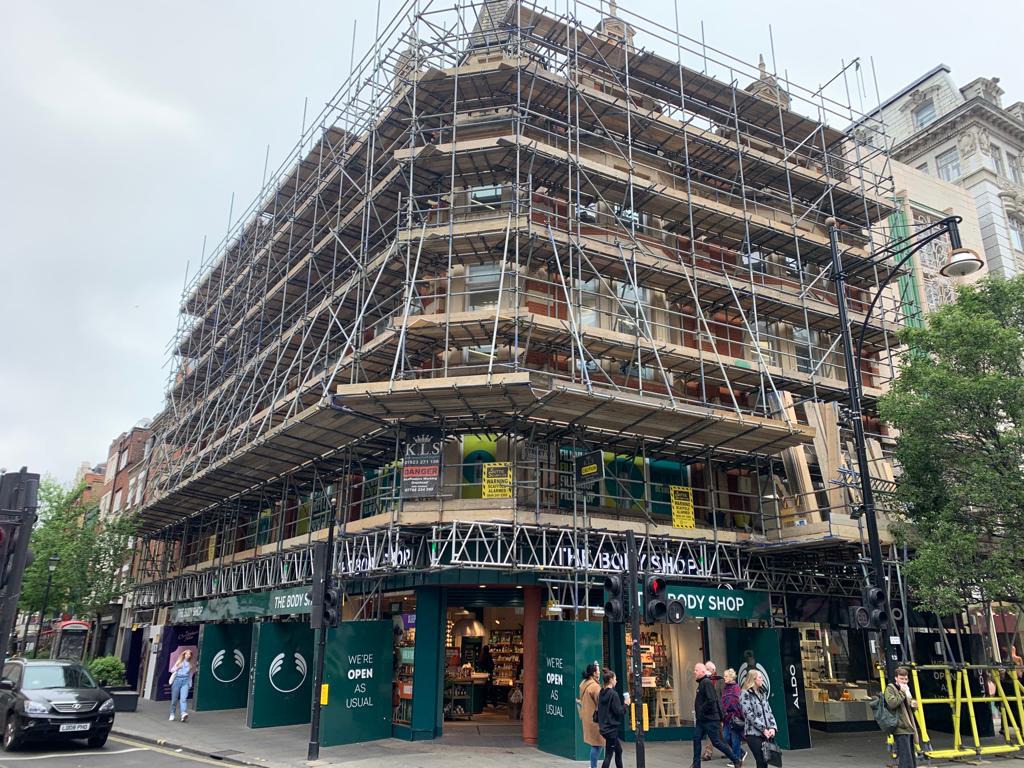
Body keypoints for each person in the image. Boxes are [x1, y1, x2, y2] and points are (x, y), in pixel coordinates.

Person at [694, 662, 743, 768]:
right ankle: (696, 764)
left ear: (703, 671)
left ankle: (736, 759)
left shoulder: (706, 683)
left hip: (710, 719)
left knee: (717, 742)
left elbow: (712, 700)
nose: (694, 672)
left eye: (696, 670)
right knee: (696, 739)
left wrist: (702, 710)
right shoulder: (703, 683)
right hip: (702, 719)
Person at [740, 669, 777, 768]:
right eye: (760, 677)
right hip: (753, 734)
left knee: (766, 761)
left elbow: (769, 712)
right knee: (760, 760)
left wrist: (773, 727)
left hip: (766, 733)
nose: (762, 679)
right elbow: (749, 714)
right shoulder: (745, 694)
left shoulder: (762, 693)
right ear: (753, 679)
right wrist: (763, 729)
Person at [884, 666, 919, 768]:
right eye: (901, 678)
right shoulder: (891, 688)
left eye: (906, 679)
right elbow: (892, 703)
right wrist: (902, 692)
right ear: (896, 678)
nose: (904, 681)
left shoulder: (906, 689)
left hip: (909, 725)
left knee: (910, 757)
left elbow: (910, 708)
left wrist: (913, 705)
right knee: (905, 758)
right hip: (900, 727)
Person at [597, 669, 628, 768]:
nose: (616, 681)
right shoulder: (613, 694)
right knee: (609, 754)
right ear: (611, 680)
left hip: (604, 727)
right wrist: (626, 704)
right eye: (615, 679)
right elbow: (619, 711)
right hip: (611, 729)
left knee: (618, 751)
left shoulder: (602, 692)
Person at [578, 662, 605, 768]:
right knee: (597, 744)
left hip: (587, 716)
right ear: (594, 673)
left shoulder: (584, 683)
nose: (599, 672)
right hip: (595, 719)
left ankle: (593, 766)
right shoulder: (595, 687)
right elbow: (601, 703)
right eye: (598, 670)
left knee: (596, 743)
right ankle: (593, 766)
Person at [721, 668, 746, 768]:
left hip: (734, 717)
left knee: (735, 740)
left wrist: (738, 715)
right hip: (727, 718)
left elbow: (738, 702)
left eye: (726, 676)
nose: (724, 677)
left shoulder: (736, 688)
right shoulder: (725, 688)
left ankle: (736, 760)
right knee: (726, 738)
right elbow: (724, 701)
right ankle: (741, 753)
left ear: (731, 677)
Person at [168, 649, 194, 722]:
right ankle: (172, 714)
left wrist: (190, 684)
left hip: (185, 681)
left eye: (189, 654)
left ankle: (183, 714)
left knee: (183, 699)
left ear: (190, 656)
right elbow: (172, 670)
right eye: (186, 654)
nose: (188, 655)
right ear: (184, 655)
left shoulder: (190, 665)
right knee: (174, 699)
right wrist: (178, 667)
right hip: (177, 680)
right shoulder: (179, 662)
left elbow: (190, 676)